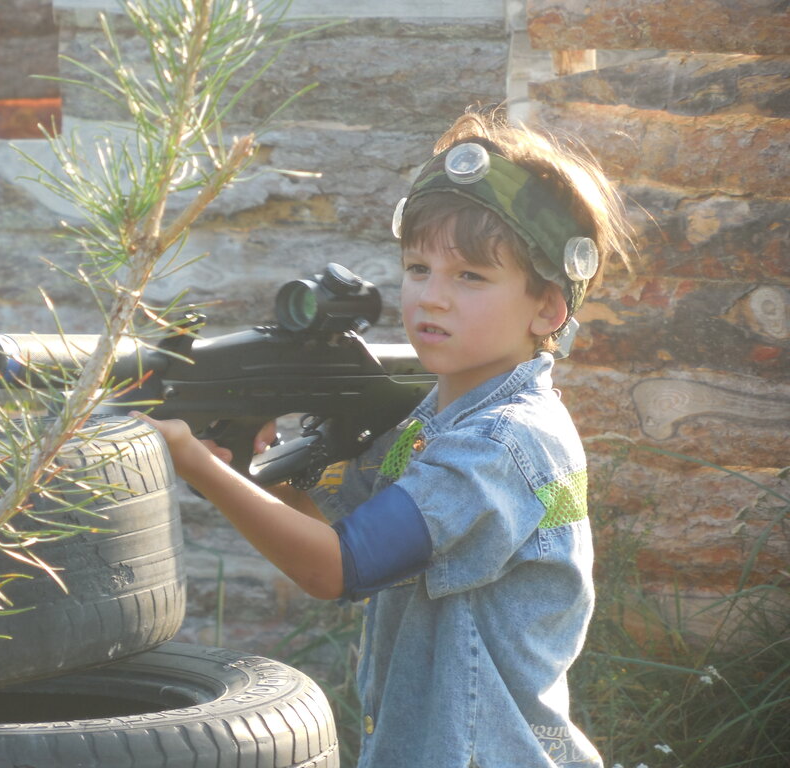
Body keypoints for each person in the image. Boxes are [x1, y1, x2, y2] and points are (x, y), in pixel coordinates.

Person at [134, 109, 633, 768]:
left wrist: (195, 462)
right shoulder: (434, 423)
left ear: (548, 307)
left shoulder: (502, 445)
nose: (431, 297)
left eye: (470, 277)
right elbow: (331, 528)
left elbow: (335, 567)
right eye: (417, 268)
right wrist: (262, 464)